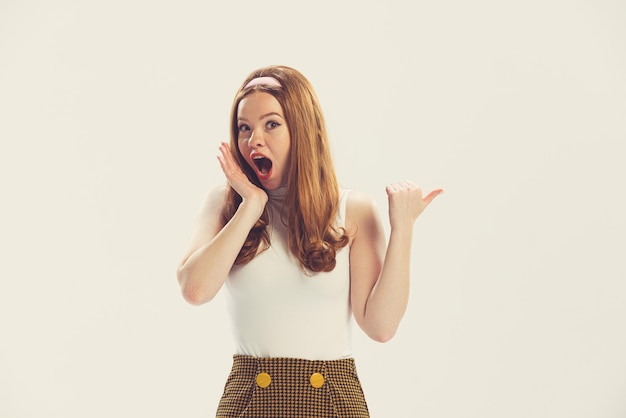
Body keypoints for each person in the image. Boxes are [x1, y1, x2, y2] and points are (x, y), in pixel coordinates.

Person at [176, 65, 443, 418]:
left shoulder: (353, 210)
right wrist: (251, 206)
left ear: (303, 129)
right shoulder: (224, 204)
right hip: (250, 402)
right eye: (245, 127)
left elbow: (381, 327)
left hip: (332, 402)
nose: (254, 139)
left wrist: (403, 228)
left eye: (271, 124)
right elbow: (195, 289)